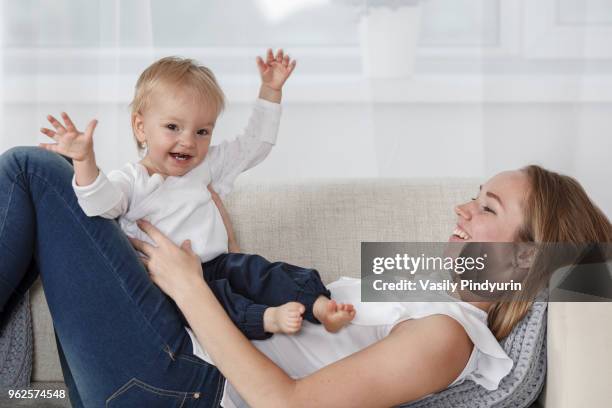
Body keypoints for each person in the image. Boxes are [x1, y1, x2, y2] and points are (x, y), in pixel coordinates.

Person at [0, 145, 610, 407]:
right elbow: (295, 301)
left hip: (183, 388)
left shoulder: (449, 336)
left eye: (487, 208)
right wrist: (218, 258)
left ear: (529, 256)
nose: (461, 210)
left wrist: (189, 286)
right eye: (473, 196)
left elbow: (285, 402)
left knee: (35, 173)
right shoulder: (420, 284)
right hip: (171, 357)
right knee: (63, 193)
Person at [36, 50, 355, 341]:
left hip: (220, 262)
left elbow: (255, 144)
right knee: (217, 302)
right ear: (141, 127)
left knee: (261, 270)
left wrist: (270, 92)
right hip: (172, 286)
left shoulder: (207, 166)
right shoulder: (131, 181)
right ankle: (266, 319)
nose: (188, 141)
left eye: (202, 131)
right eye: (173, 127)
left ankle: (319, 306)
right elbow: (99, 205)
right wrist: (84, 161)